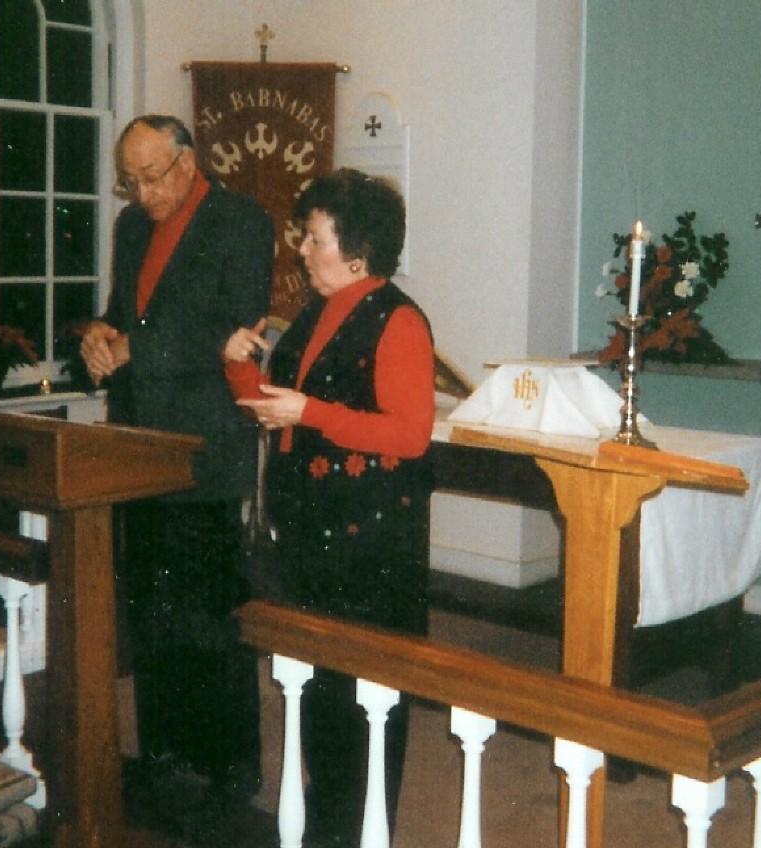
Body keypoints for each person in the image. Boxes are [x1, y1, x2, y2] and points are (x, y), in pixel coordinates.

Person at [223, 168, 435, 848]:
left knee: (365, 699)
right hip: (312, 531)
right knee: (318, 691)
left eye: (314, 239)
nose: (302, 251)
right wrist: (238, 366)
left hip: (368, 542)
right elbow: (280, 411)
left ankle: (360, 832)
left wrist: (307, 410)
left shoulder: (398, 319)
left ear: (357, 252)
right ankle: (329, 824)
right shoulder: (317, 312)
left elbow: (409, 434)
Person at [80, 114, 274, 809]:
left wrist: (138, 347)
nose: (142, 194)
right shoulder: (131, 228)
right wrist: (101, 338)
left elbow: (234, 324)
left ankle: (230, 767)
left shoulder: (241, 221)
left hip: (204, 445)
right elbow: (120, 312)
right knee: (151, 607)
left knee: (208, 611)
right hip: (136, 442)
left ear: (189, 162)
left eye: (153, 177)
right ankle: (164, 747)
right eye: (129, 182)